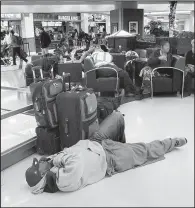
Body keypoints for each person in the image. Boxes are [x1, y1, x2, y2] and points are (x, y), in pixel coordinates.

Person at [25, 111, 187, 194]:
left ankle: (123, 144)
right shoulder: (63, 181)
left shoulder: (52, 165)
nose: (40, 162)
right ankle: (172, 142)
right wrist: (53, 161)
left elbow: (68, 153)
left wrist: (52, 159)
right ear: (42, 177)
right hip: (110, 158)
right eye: (38, 166)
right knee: (146, 150)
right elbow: (76, 160)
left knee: (117, 116)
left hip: (96, 142)